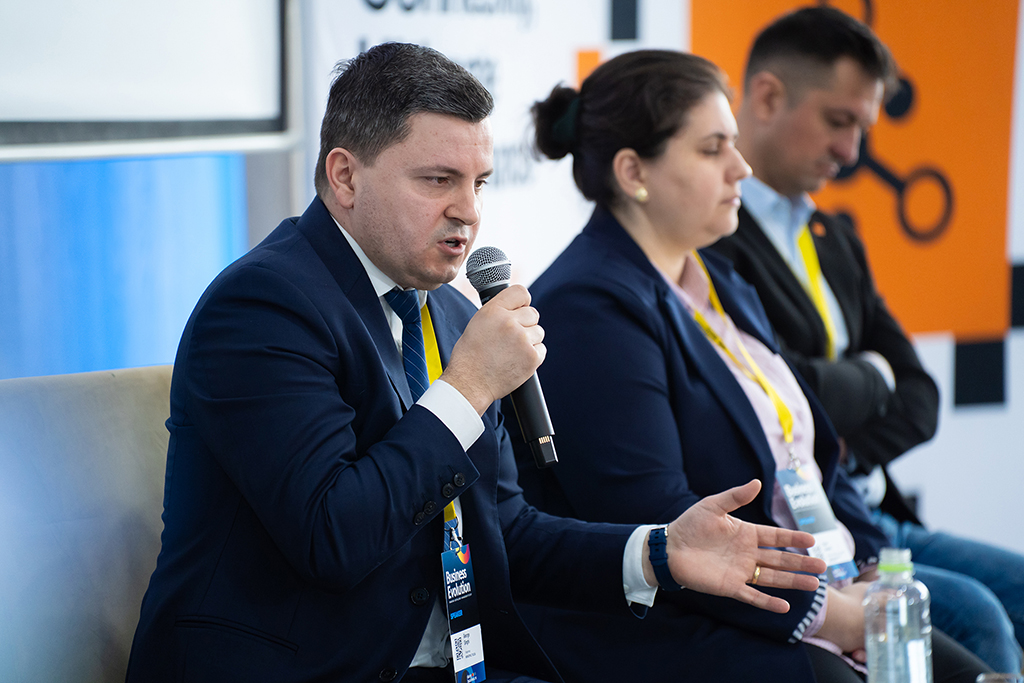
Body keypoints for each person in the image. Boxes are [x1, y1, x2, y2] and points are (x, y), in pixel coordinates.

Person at [123, 42, 828, 683]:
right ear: (345, 176)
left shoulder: (452, 313)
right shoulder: (263, 307)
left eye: (480, 183)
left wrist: (659, 552)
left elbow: (503, 531)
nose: (468, 212)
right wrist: (467, 389)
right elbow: (333, 536)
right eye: (438, 180)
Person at [515, 48, 991, 682]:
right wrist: (832, 615)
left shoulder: (722, 279)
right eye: (713, 149)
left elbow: (811, 457)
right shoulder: (589, 304)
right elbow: (661, 521)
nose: (740, 167)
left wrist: (871, 572)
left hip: (811, 590)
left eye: (734, 144)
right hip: (686, 626)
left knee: (973, 666)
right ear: (633, 172)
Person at [709, 6, 1024, 672]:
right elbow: (781, 392)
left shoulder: (836, 237)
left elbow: (921, 396)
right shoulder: (712, 240)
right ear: (766, 97)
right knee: (979, 616)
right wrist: (872, 377)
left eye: (862, 128)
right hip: (806, 533)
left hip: (874, 513)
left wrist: (837, 450)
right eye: (838, 120)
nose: (853, 152)